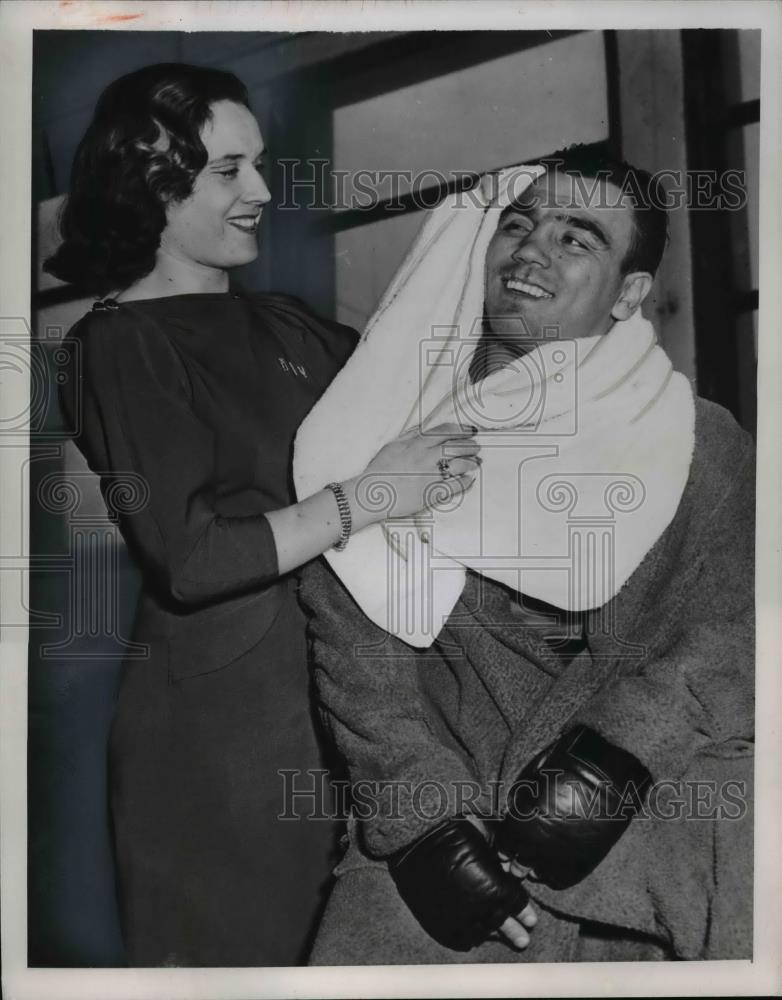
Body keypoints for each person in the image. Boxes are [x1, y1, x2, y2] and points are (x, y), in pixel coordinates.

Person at [45, 63, 480, 967]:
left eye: (260, 164)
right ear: (151, 181)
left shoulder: (289, 325)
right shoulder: (115, 345)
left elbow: (425, 401)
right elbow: (194, 558)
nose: (264, 192)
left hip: (353, 713)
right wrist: (369, 497)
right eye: (228, 170)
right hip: (225, 741)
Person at [296, 147, 755, 963]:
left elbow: (741, 630)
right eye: (518, 226)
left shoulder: (702, 443)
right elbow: (354, 653)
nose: (532, 252)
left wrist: (617, 756)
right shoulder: (383, 430)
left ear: (629, 294)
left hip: (656, 809)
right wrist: (421, 816)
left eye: (576, 238)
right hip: (454, 821)